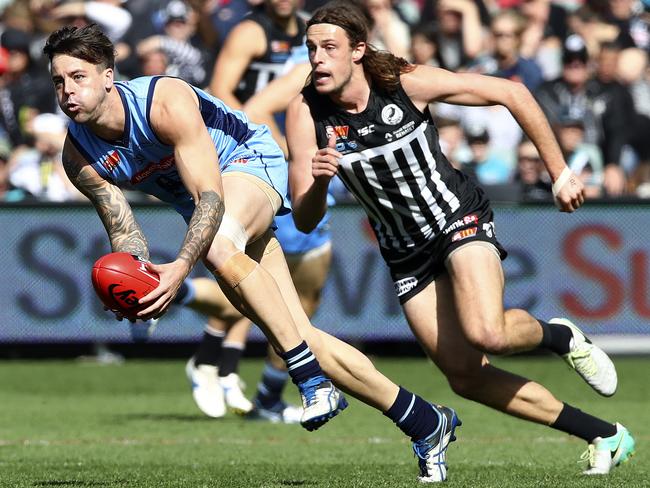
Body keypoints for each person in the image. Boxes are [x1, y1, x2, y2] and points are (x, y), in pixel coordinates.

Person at [43, 24, 460, 483]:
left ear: (108, 77)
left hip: (247, 162)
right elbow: (123, 229)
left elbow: (210, 199)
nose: (67, 91)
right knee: (296, 331)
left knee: (220, 248)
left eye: (78, 77)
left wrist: (180, 267)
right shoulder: (77, 155)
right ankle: (423, 420)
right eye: (59, 80)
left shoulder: (163, 102)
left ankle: (308, 380)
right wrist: (135, 281)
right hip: (214, 210)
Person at [286, 1, 636, 477]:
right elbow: (305, 219)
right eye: (311, 49)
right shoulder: (306, 112)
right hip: (404, 253)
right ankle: (606, 435)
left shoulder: (405, 83)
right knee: (465, 376)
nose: (318, 59)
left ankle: (559, 335)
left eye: (329, 48)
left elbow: (513, 94)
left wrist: (559, 173)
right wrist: (321, 180)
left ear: (358, 51)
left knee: (487, 332)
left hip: (456, 216)